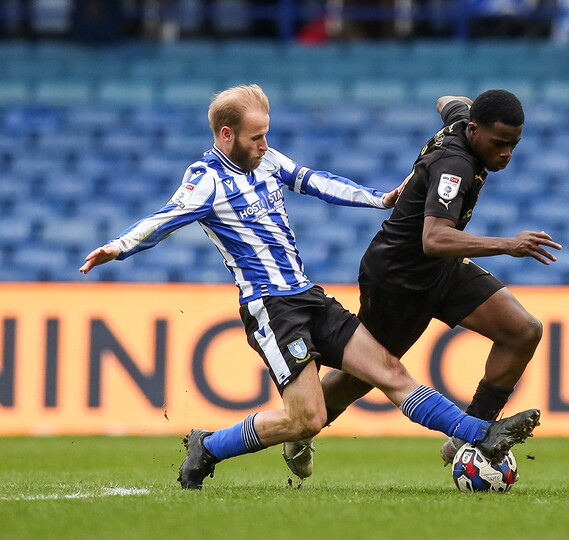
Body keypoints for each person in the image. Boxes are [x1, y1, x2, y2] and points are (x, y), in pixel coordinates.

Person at [78, 84, 541, 490]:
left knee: (390, 374)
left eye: (266, 135)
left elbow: (313, 181)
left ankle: (477, 434)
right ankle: (209, 445)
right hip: (271, 310)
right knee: (308, 417)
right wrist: (117, 247)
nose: (265, 145)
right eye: (256, 137)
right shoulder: (206, 182)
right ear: (226, 136)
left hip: (307, 295)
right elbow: (165, 220)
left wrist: (376, 198)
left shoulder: (266, 159)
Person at [280, 89, 561, 478]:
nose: (506, 154)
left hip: (441, 270)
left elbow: (447, 99)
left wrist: (458, 110)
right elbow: (434, 239)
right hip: (399, 279)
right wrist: (508, 244)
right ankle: (302, 427)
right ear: (475, 131)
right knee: (366, 374)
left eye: (514, 144)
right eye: (499, 144)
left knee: (523, 330)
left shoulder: (462, 120)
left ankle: (470, 432)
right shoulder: (455, 165)